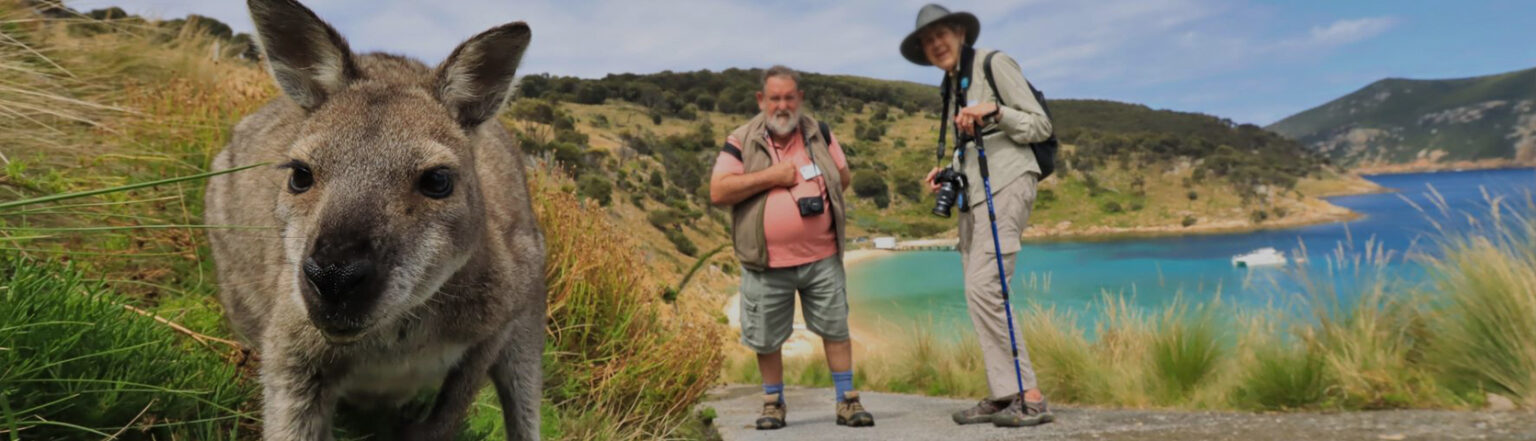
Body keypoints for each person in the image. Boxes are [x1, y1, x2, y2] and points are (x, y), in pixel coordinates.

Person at [900, 4, 1057, 428]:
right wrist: (948, 170)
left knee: (986, 286)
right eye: (927, 42)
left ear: (959, 33)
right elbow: (971, 143)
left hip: (1006, 182)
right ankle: (1006, 392)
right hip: (975, 193)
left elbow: (1041, 126)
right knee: (976, 290)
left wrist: (995, 110)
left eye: (941, 35)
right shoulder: (952, 85)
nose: (935, 44)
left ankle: (1031, 396)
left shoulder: (993, 62)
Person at [709, 65, 873, 429]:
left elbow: (842, 178)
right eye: (774, 98)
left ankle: (847, 401)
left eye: (789, 97)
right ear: (761, 100)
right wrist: (772, 178)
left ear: (799, 99)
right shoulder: (741, 139)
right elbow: (719, 191)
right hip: (765, 262)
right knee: (767, 337)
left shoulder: (820, 133)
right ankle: (773, 404)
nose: (782, 106)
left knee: (835, 328)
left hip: (822, 257)